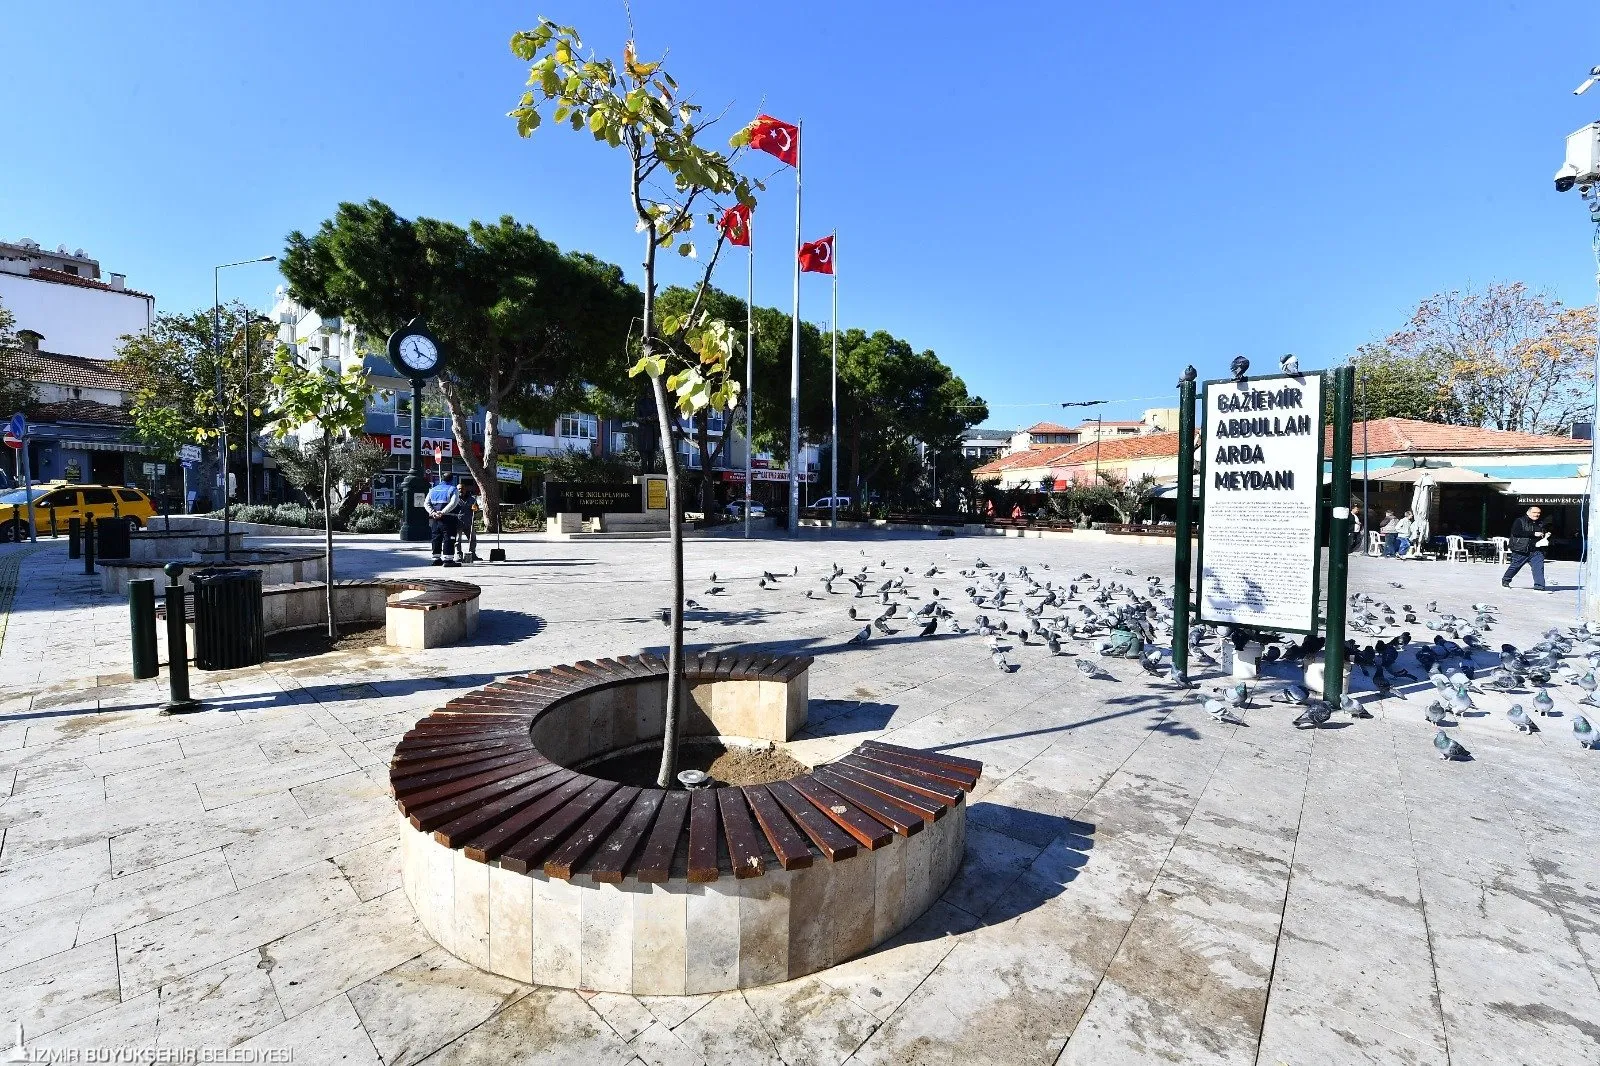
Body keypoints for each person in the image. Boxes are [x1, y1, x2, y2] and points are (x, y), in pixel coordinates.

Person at [1502, 505, 1552, 590]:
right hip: (1521, 549)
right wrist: (1533, 533)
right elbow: (1516, 532)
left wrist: (1546, 535)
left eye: (1538, 513)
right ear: (1528, 513)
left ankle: (1539, 586)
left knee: (1538, 568)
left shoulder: (1540, 523)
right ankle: (1506, 580)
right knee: (1515, 566)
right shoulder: (1520, 521)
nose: (1536, 514)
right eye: (1534, 512)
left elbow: (1542, 533)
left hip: (1537, 550)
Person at [425, 471, 462, 567]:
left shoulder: (433, 490)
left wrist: (433, 512)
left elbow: (426, 503)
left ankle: (436, 559)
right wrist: (443, 512)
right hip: (449, 518)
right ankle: (448, 559)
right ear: (452, 479)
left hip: (435, 519)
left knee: (436, 537)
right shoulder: (453, 489)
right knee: (449, 537)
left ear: (442, 478)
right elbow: (453, 503)